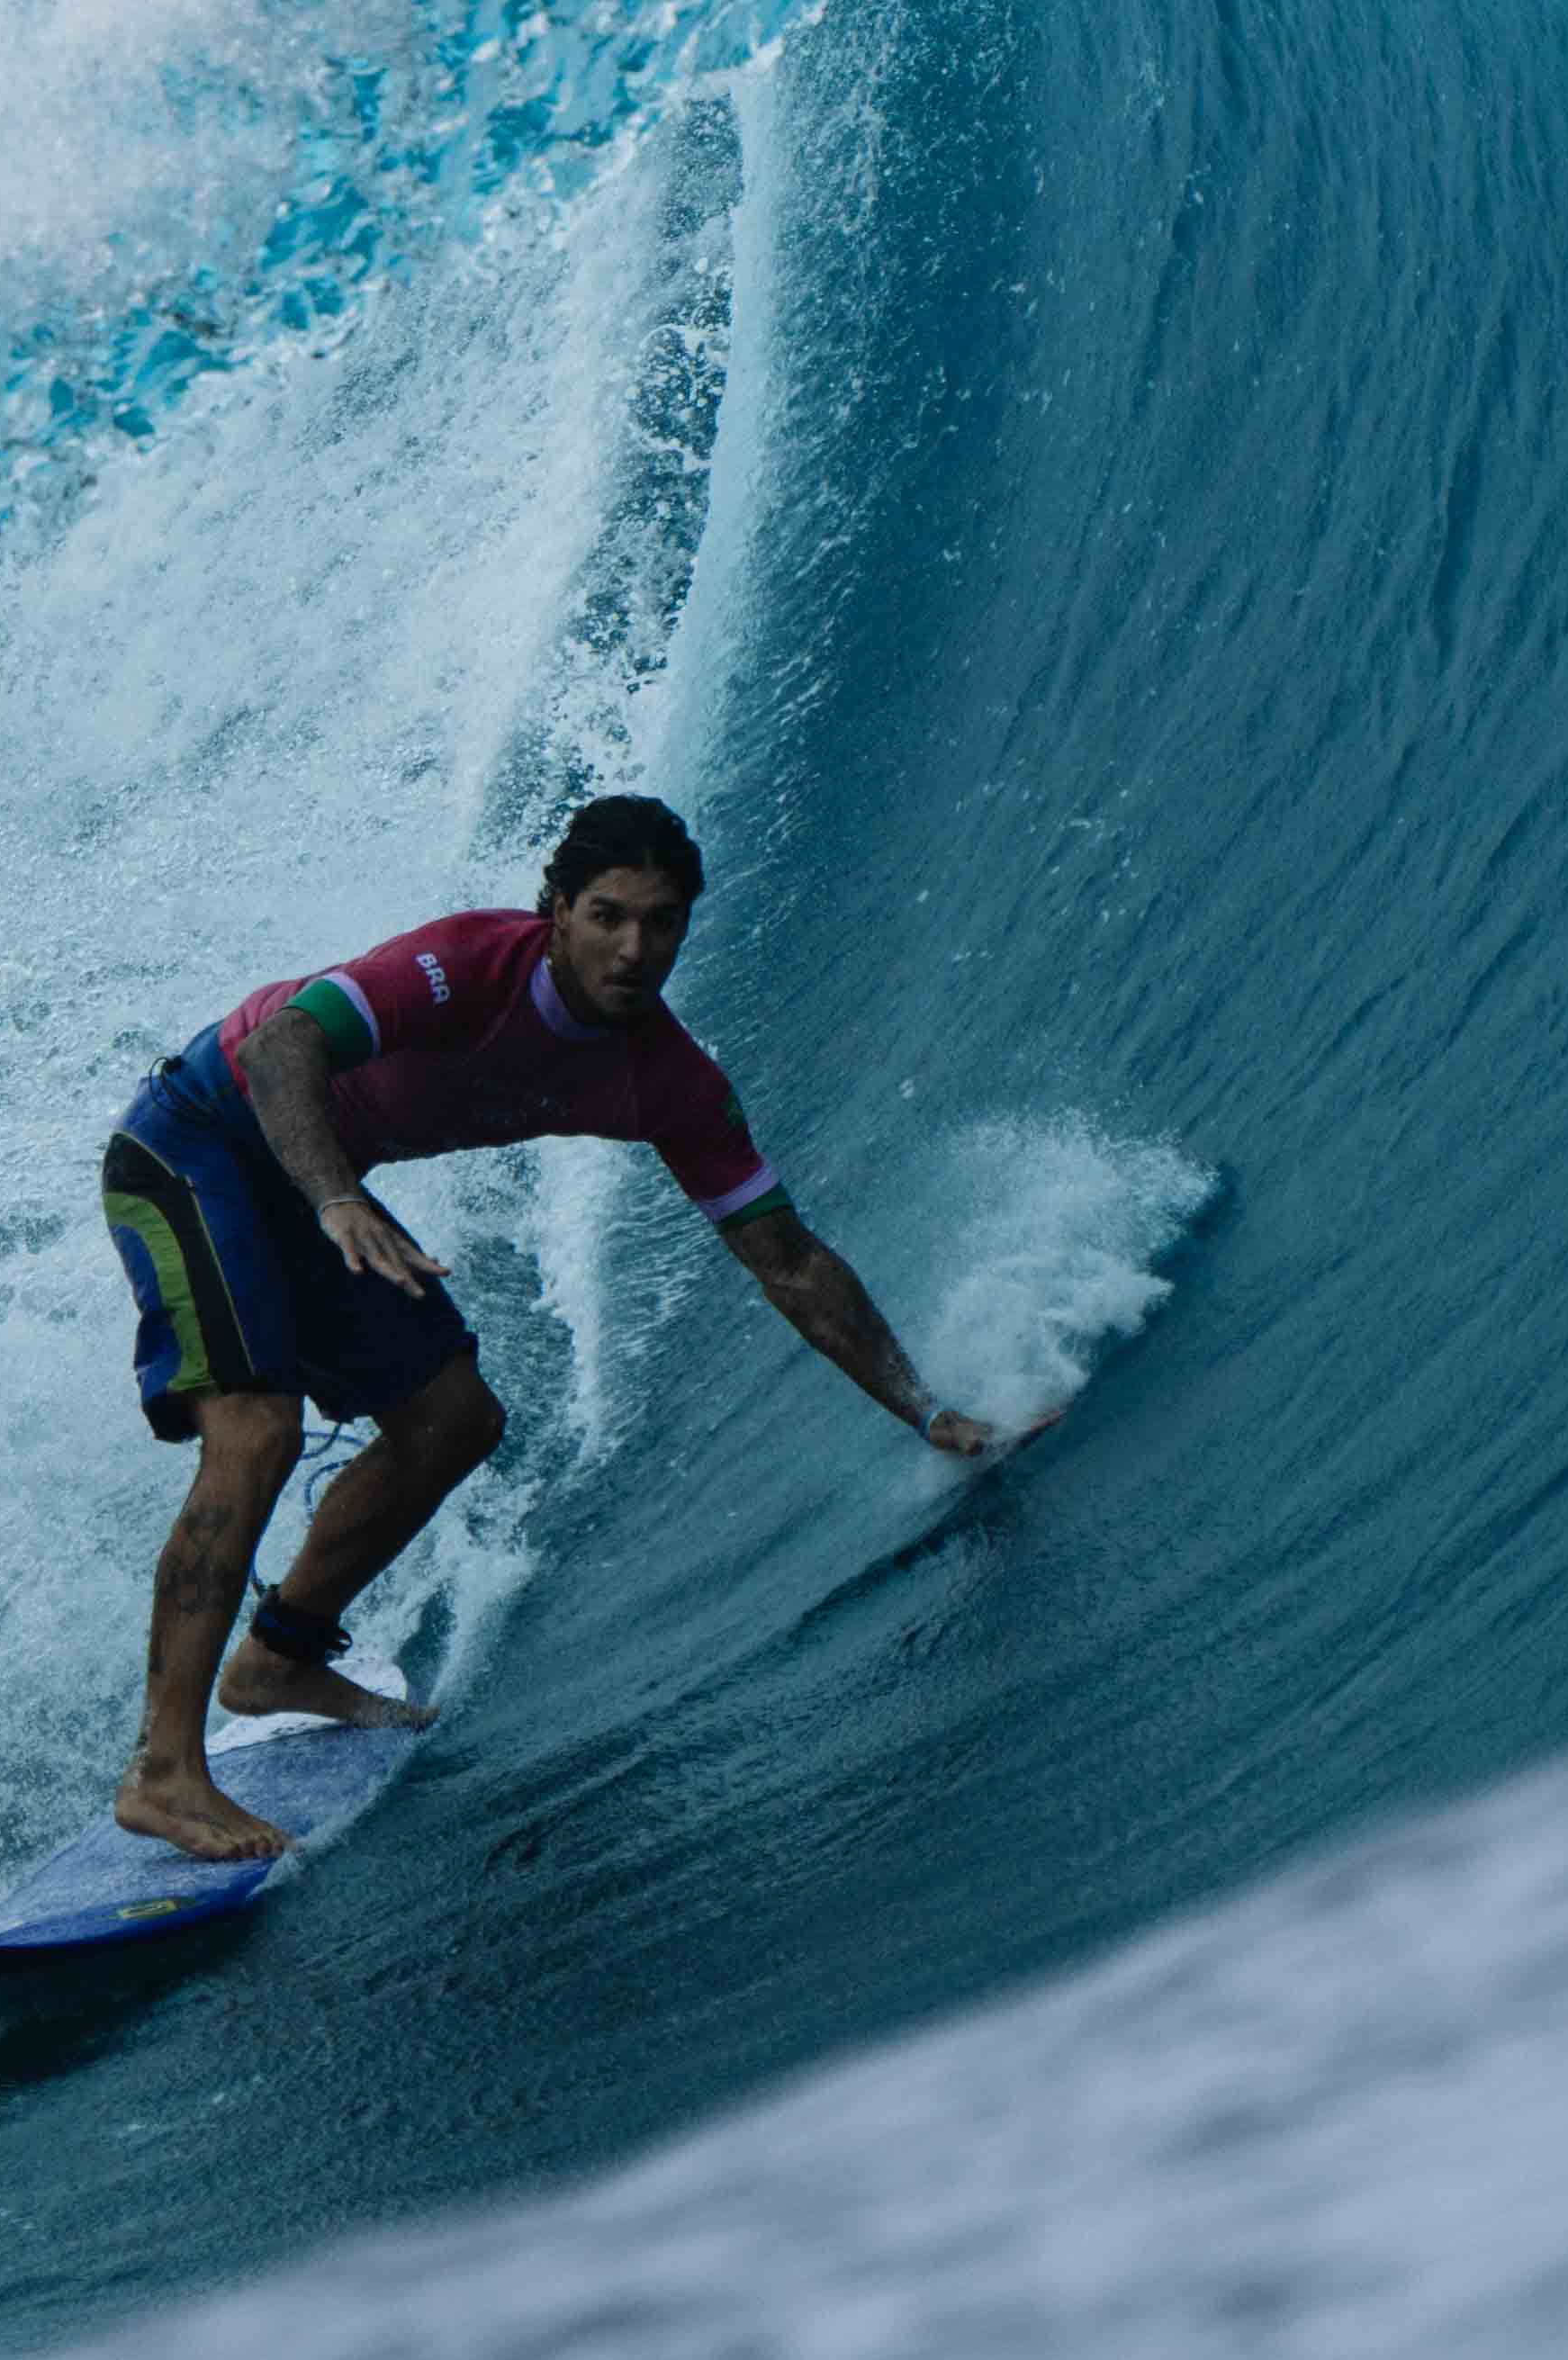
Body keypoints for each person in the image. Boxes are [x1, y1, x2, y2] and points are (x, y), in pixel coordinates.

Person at [88, 792, 1003, 1860]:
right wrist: (337, 1196)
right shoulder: (464, 965)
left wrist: (928, 1408)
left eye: (662, 921)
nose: (634, 947)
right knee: (255, 1431)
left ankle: (279, 1656)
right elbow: (284, 1047)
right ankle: (163, 1771)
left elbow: (789, 1260)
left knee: (453, 1419)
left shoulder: (667, 1078)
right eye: (608, 914)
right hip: (194, 1142)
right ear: (555, 909)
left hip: (310, 1186)